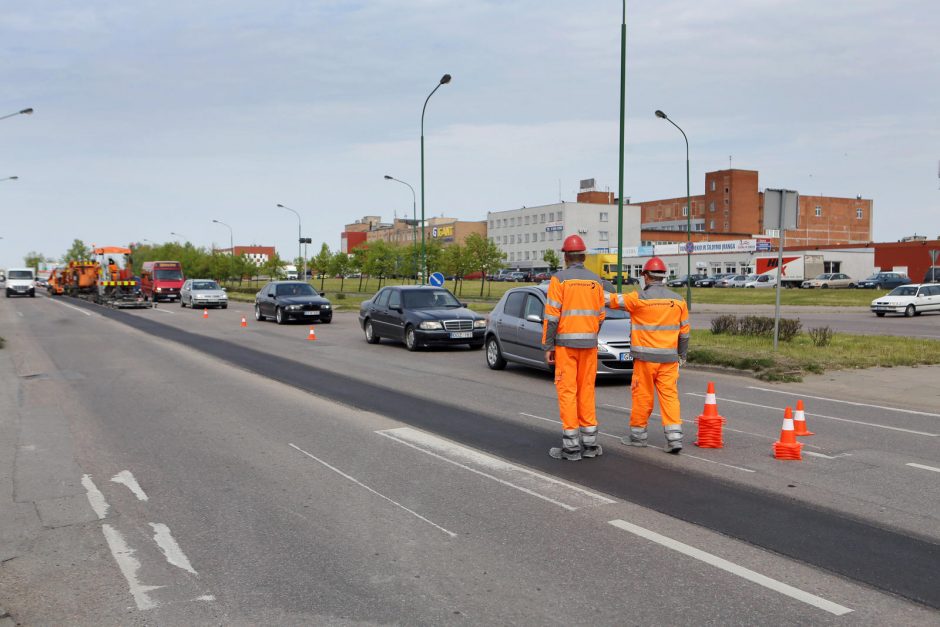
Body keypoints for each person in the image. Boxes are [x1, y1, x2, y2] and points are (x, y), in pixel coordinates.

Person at [608, 256, 690, 453]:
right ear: (663, 277)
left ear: (646, 276)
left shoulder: (638, 299)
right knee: (670, 398)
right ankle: (674, 439)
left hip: (645, 360)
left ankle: (638, 437)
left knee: (642, 397)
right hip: (669, 360)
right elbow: (685, 333)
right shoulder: (679, 301)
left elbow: (610, 301)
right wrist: (682, 355)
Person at [542, 234, 607, 461]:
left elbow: (551, 317)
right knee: (586, 391)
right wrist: (589, 335)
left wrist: (548, 345)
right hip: (589, 346)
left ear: (566, 257)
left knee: (568, 393)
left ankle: (571, 449)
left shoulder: (558, 280)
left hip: (566, 347)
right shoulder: (595, 281)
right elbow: (600, 316)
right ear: (584, 256)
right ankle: (590, 445)